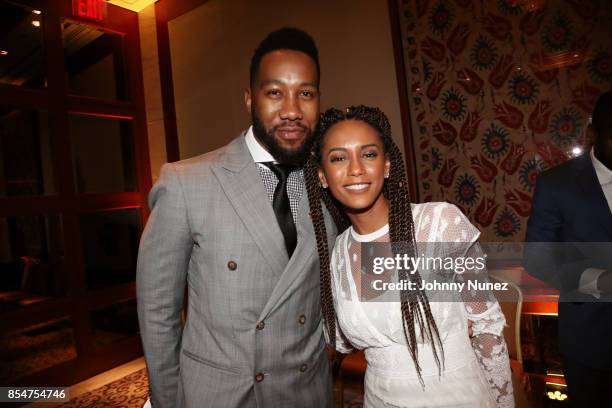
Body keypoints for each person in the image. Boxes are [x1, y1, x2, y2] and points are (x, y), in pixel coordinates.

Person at [136, 28, 337, 408]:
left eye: (306, 93)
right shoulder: (186, 182)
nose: (292, 109)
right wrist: (168, 402)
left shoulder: (328, 183)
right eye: (275, 92)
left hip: (307, 393)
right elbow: (157, 310)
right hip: (222, 397)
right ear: (250, 99)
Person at [304, 105, 514, 407]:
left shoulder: (441, 224)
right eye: (339, 157)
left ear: (387, 165)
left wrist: (504, 403)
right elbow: (337, 339)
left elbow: (487, 328)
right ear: (322, 176)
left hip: (459, 396)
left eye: (369, 154)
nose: (355, 169)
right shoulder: (337, 253)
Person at [524, 91, 612, 407]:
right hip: (592, 343)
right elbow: (537, 256)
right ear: (594, 134)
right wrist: (599, 280)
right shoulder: (557, 183)